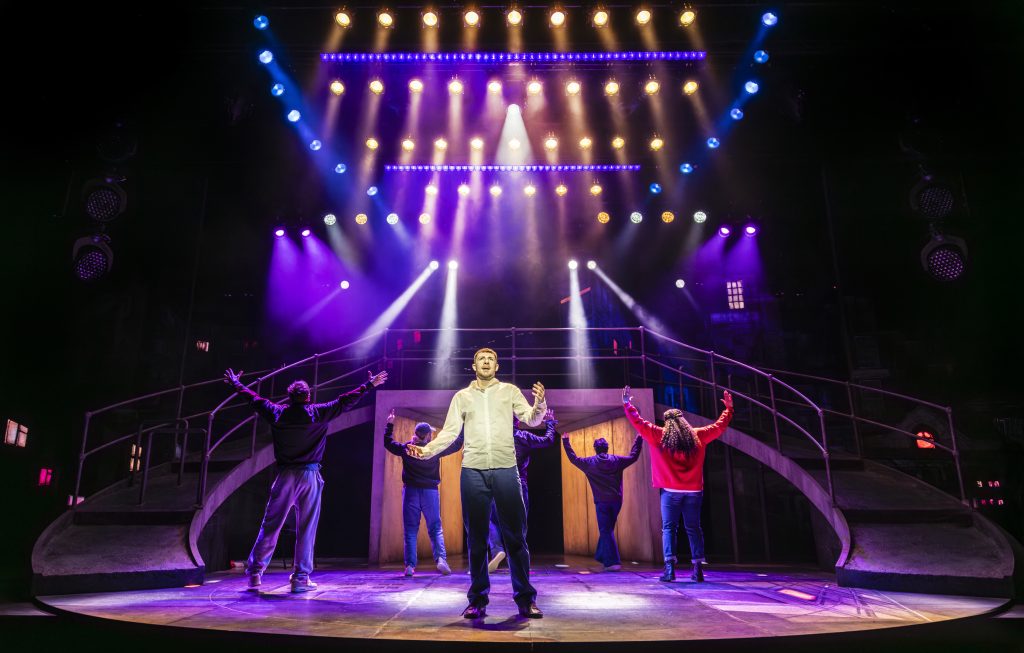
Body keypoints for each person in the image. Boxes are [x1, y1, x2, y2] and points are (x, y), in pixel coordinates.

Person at [407, 348, 547, 619]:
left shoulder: (509, 391)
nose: (486, 362)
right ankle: (477, 600)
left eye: (490, 359)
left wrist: (539, 403)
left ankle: (525, 599)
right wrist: (426, 451)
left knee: (516, 537)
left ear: (497, 366)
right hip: (473, 471)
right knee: (476, 538)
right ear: (474, 366)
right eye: (481, 359)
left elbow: (531, 419)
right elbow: (450, 432)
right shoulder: (462, 397)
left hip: (506, 469)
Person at [223, 367, 388, 593]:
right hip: (309, 476)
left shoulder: (277, 412)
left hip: (285, 476)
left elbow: (254, 399)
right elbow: (345, 401)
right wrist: (368, 385)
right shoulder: (318, 413)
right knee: (306, 528)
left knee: (271, 525)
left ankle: (254, 574)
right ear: (308, 396)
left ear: (290, 397)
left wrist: (236, 384)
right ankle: (300, 578)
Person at [622, 386, 733, 583]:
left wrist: (627, 405)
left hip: (670, 492)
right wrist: (729, 409)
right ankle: (698, 569)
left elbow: (639, 423)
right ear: (683, 420)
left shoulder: (659, 435)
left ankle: (670, 570)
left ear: (667, 422)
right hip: (693, 491)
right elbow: (719, 427)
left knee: (669, 528)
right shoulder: (698, 435)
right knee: (694, 528)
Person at [382, 409, 464, 577]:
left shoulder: (407, 448)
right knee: (435, 528)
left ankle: (410, 566)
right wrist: (462, 425)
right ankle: (441, 560)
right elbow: (456, 445)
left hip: (410, 493)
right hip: (430, 493)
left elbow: (388, 443)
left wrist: (389, 424)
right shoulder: (434, 449)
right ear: (427, 436)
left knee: (411, 530)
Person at [486, 410, 558, 572]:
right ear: (517, 422)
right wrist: (550, 423)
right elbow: (547, 440)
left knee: (492, 521)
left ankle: (497, 550)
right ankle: (518, 560)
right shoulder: (524, 436)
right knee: (519, 525)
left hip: (498, 484)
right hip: (519, 485)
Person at [561, 431, 643, 571]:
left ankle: (612, 562)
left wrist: (565, 441)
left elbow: (573, 458)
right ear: (607, 448)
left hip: (602, 502)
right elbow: (633, 457)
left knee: (605, 530)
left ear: (595, 449)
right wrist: (639, 440)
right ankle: (601, 555)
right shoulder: (616, 460)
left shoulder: (589, 463)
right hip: (616, 501)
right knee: (608, 529)